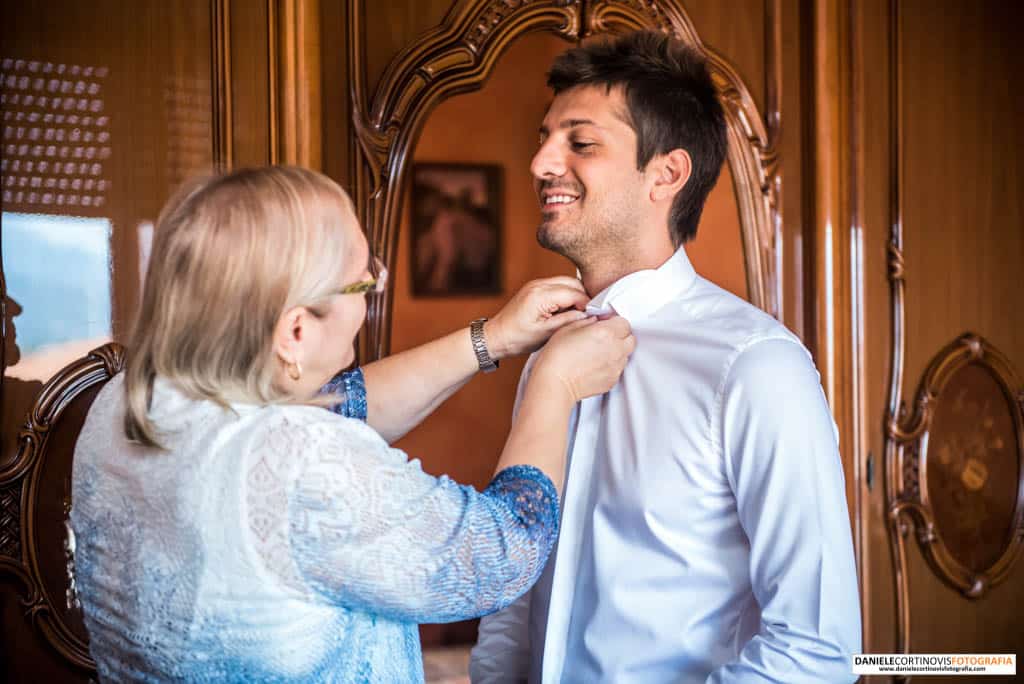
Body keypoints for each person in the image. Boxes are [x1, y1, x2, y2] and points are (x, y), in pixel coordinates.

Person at [69, 166, 635, 682]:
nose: (371, 294)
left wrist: (493, 339)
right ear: (293, 332)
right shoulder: (302, 460)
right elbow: (500, 552)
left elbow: (339, 403)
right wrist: (552, 386)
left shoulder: (125, 401)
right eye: (364, 284)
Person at [471, 30, 860, 683]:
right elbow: (519, 585)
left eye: (580, 142)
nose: (540, 163)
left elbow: (817, 651)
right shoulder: (548, 358)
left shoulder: (756, 367)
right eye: (544, 138)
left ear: (668, 174)